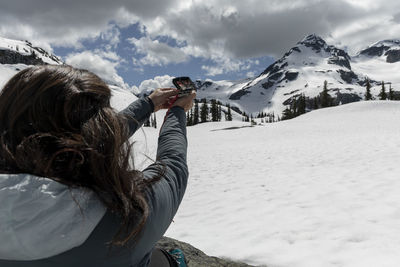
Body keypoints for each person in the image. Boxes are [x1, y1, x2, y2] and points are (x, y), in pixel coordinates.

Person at [0, 65, 195, 267]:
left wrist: (148, 104)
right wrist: (177, 111)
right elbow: (173, 163)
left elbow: (93, 139)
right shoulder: (128, 213)